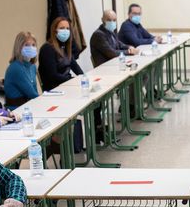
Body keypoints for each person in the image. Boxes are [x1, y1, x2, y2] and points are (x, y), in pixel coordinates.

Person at [90, 10, 138, 142]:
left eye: (114, 20)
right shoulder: (98, 35)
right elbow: (111, 53)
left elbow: (119, 45)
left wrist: (128, 47)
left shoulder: (111, 33)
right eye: (109, 20)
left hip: (115, 70)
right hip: (105, 74)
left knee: (138, 76)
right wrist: (128, 51)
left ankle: (131, 107)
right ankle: (99, 128)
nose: (112, 23)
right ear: (103, 20)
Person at [38, 17, 84, 91]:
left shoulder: (65, 46)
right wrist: (72, 80)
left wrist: (83, 77)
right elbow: (53, 75)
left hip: (66, 85)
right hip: (54, 89)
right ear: (55, 31)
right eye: (62, 28)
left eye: (67, 28)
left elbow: (74, 65)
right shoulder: (47, 49)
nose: (65, 31)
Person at [3, 31, 39, 110]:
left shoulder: (32, 66)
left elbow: (35, 92)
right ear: (19, 47)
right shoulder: (16, 68)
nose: (31, 48)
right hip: (16, 110)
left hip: (29, 106)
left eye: (33, 45)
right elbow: (32, 94)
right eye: (26, 45)